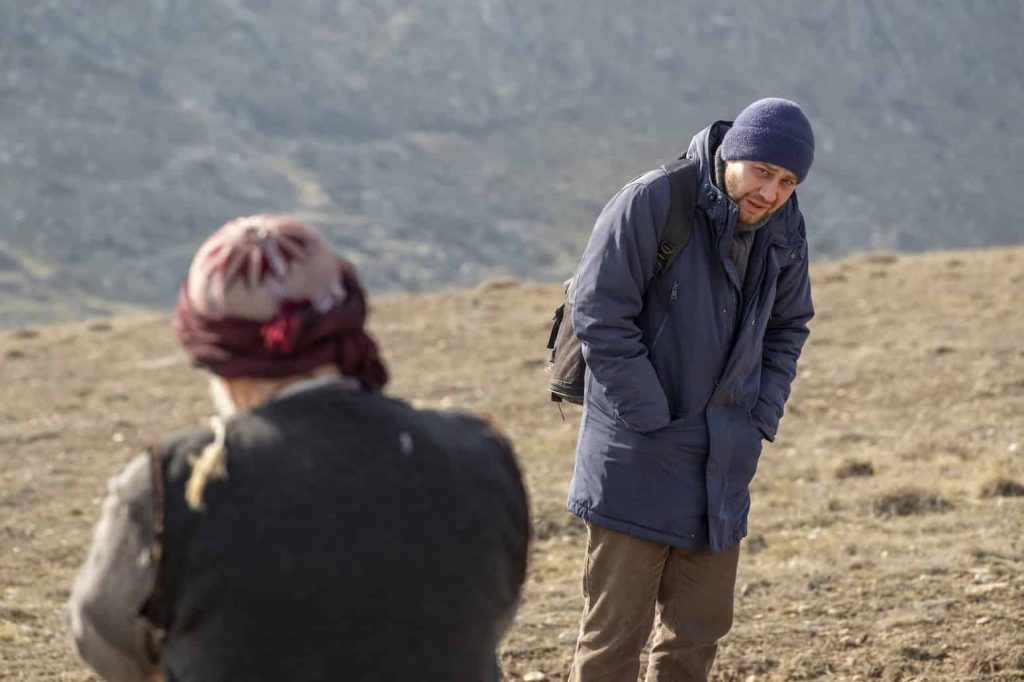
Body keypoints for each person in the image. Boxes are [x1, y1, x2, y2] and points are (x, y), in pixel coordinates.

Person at [66, 215, 529, 681]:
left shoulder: (170, 487)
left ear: (212, 355)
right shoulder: (478, 453)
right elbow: (490, 615)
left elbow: (105, 639)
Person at [566, 98, 816, 681]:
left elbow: (789, 324)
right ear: (732, 152)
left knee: (695, 641)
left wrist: (759, 412)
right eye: (762, 171)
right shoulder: (654, 199)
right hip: (636, 458)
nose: (771, 191)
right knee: (612, 646)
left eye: (787, 180)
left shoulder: (785, 224)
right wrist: (651, 414)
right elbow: (599, 313)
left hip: (723, 465)